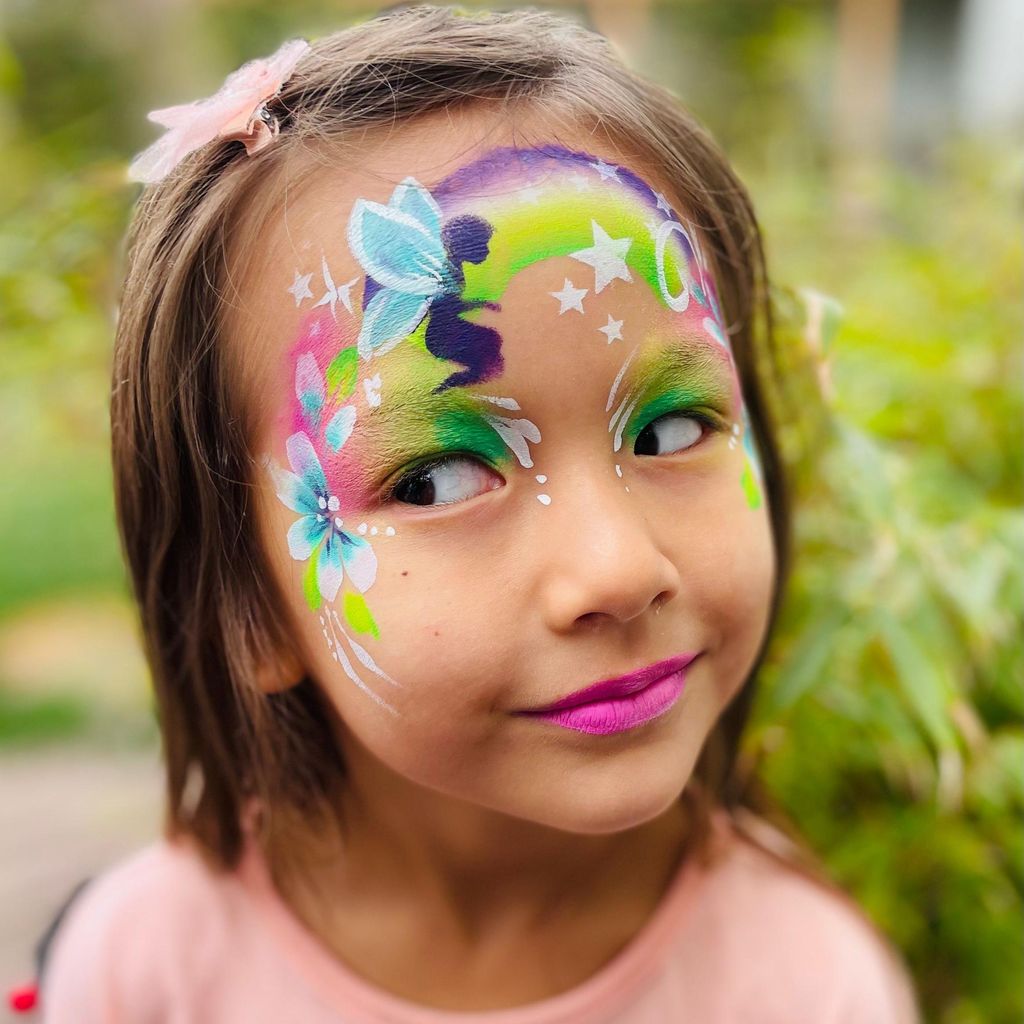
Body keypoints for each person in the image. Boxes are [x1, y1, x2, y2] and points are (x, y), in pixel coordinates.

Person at [34, 6, 922, 1022]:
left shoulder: (805, 987)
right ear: (247, 603)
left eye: (672, 429)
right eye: (437, 478)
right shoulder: (146, 976)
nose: (616, 569)